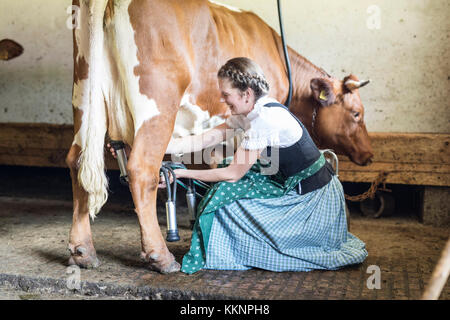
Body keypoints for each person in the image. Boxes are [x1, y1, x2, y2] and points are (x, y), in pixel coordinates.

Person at [109, 57, 368, 274]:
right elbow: (199, 140)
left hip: (312, 200)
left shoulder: (263, 120)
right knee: (224, 175)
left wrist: (181, 173)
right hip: (293, 182)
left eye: (226, 95)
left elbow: (233, 174)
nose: (224, 101)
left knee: (226, 196)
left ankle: (232, 249)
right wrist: (143, 147)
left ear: (246, 94)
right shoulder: (250, 112)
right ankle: (226, 243)